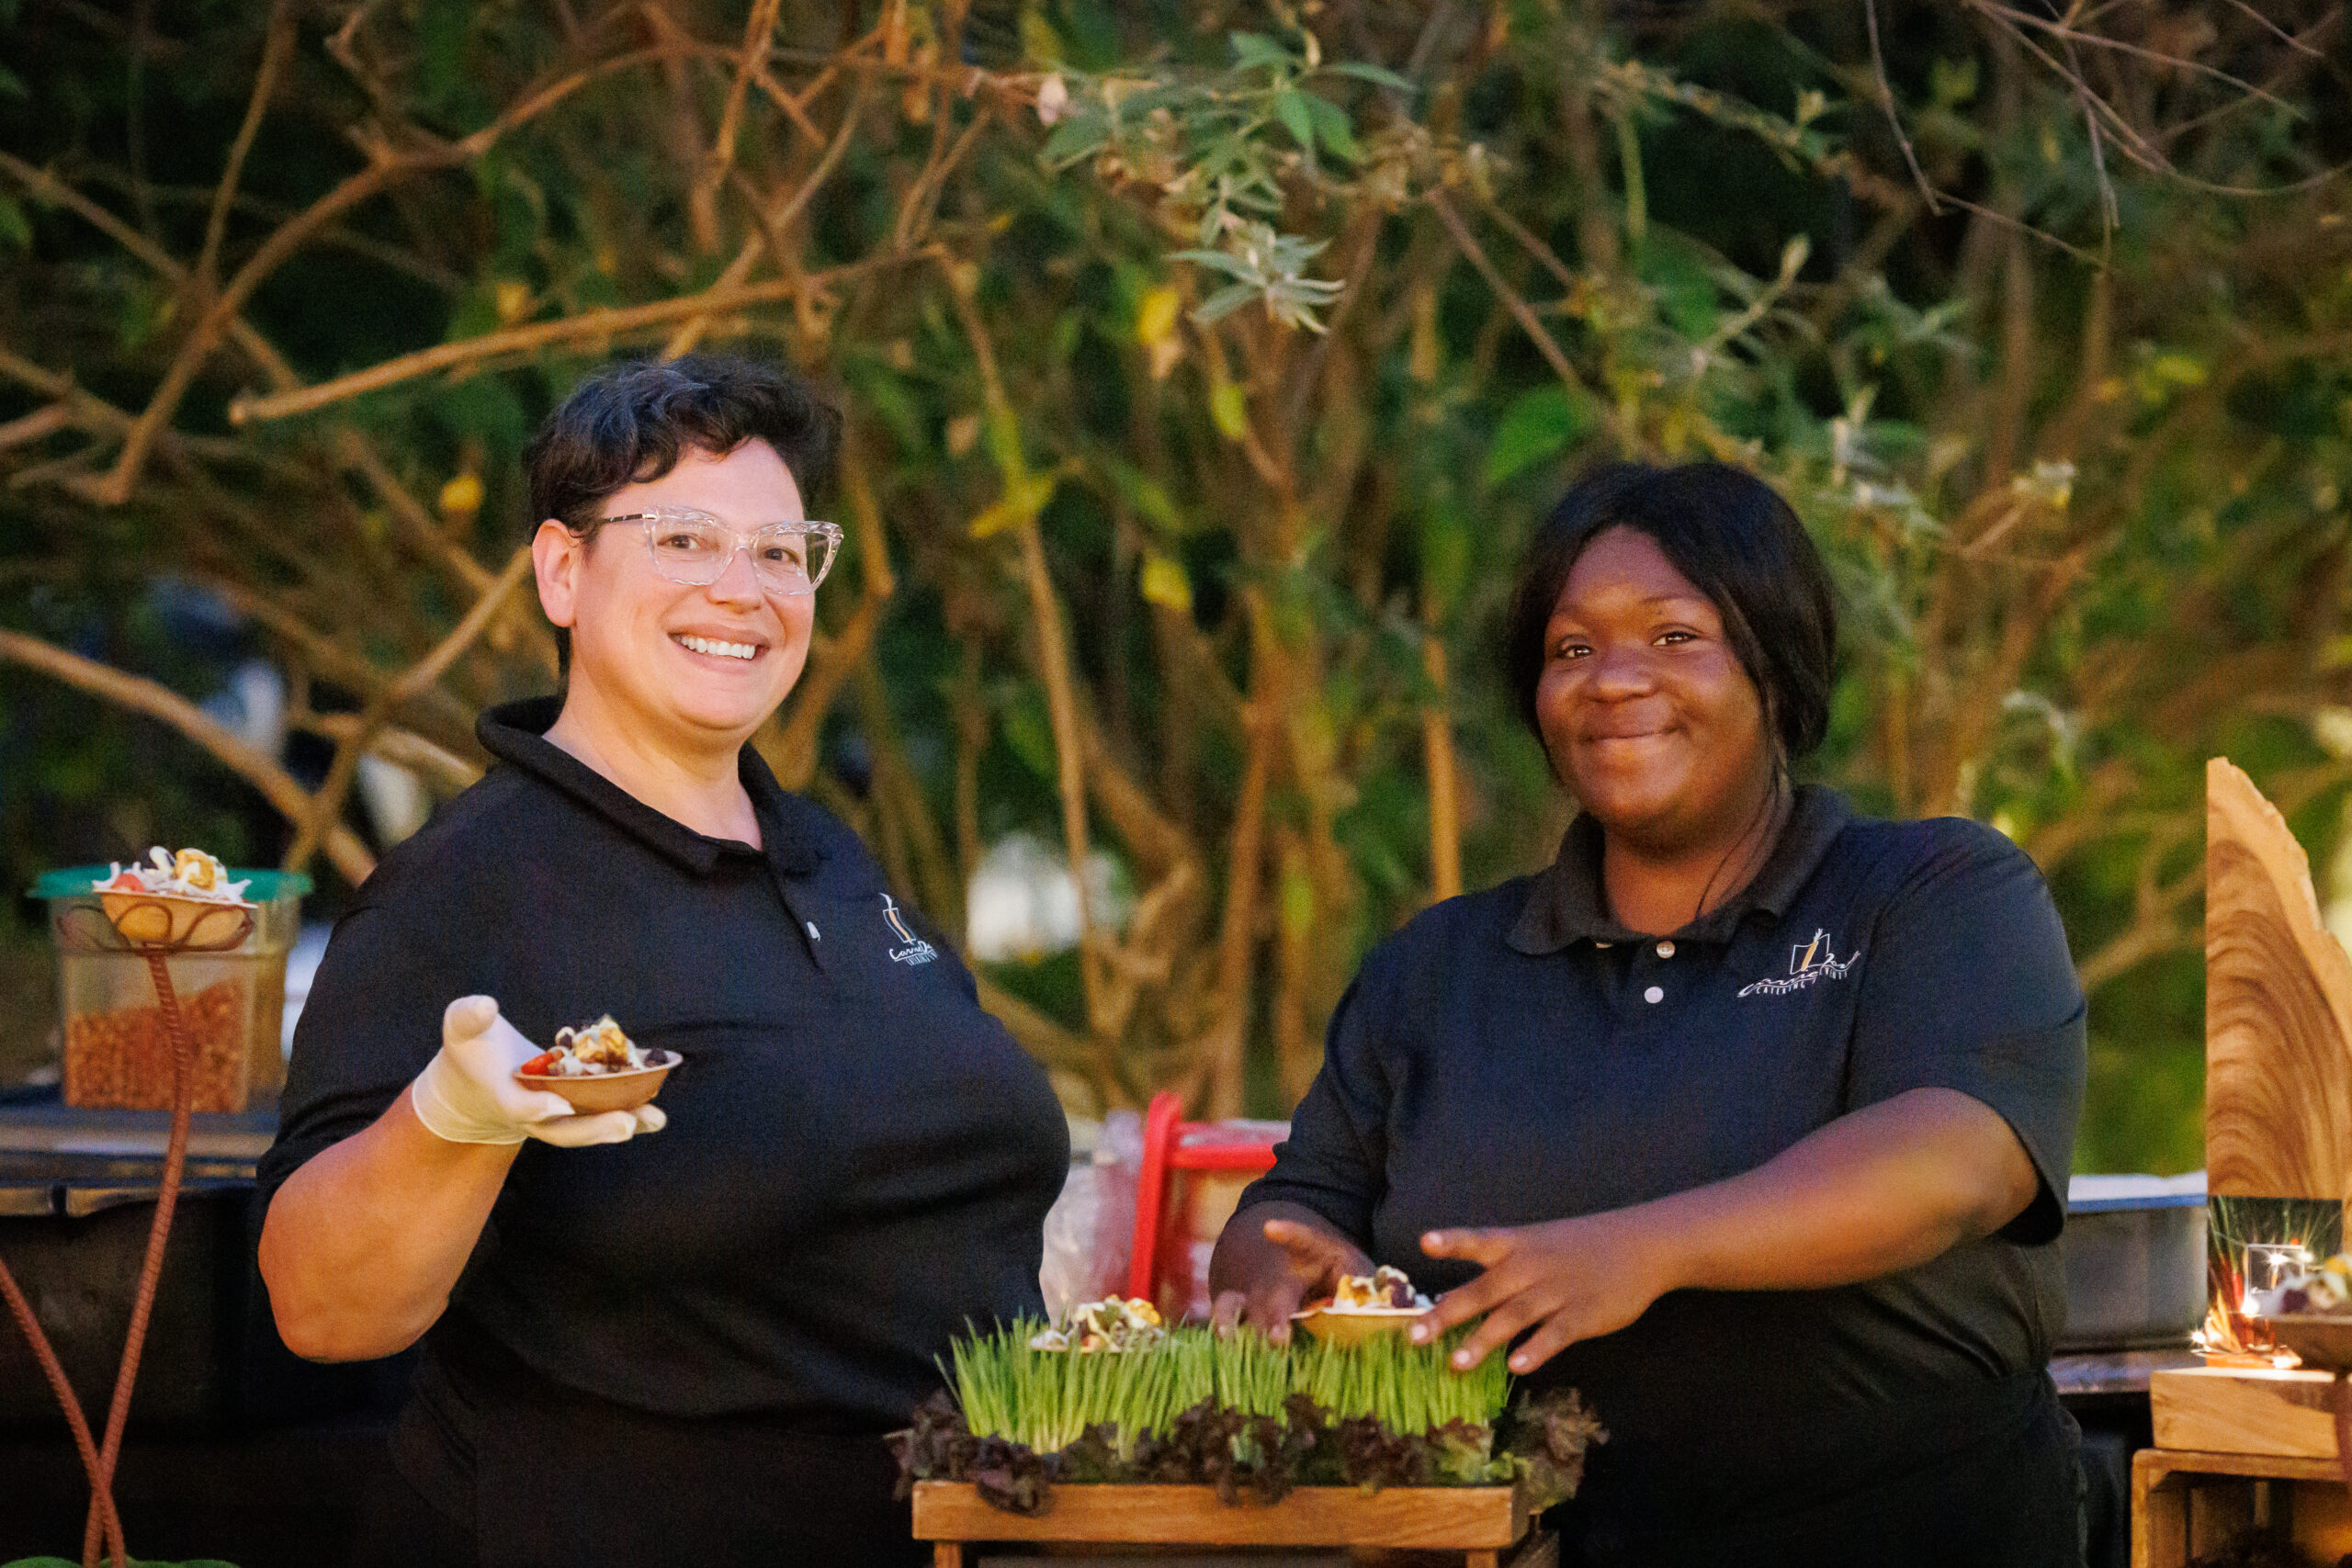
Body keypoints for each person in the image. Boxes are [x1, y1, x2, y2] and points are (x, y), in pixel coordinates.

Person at [255, 355, 1068, 1568]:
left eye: (782, 552)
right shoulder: (472, 889)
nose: (743, 588)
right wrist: (453, 1118)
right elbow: (320, 1304)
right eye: (685, 538)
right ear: (563, 570)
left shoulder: (830, 860)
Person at [1210, 461, 2087, 1567]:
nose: (1614, 679)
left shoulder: (1930, 892)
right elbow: (1292, 1206)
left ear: (1775, 667)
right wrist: (1274, 1277)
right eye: (1571, 649)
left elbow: (1963, 1157)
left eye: (1675, 637)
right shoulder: (1434, 969)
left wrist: (1640, 1252)